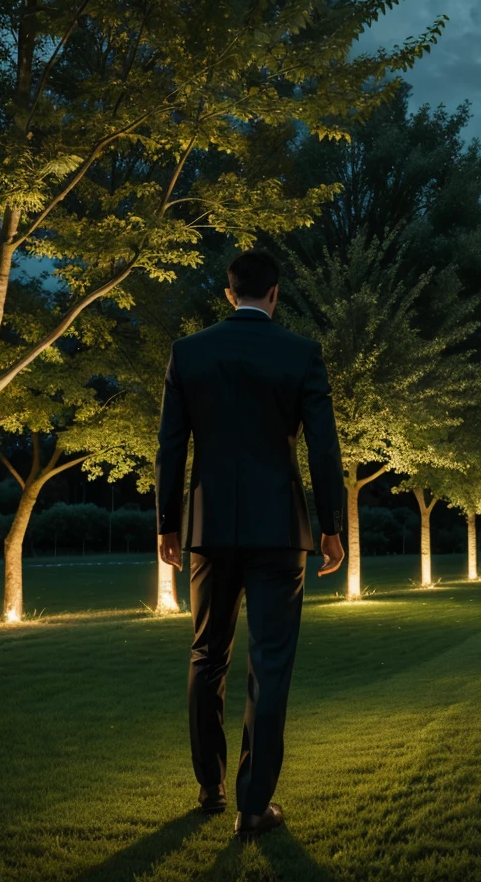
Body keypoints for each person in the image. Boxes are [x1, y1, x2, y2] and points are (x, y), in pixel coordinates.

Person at [155, 249, 346, 840]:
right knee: (269, 664)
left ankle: (210, 786)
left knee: (206, 654)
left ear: (228, 292)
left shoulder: (189, 352)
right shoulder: (300, 353)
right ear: (275, 294)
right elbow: (323, 449)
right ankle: (252, 806)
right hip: (278, 532)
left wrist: (167, 523)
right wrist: (332, 528)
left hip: (209, 530)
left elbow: (170, 445)